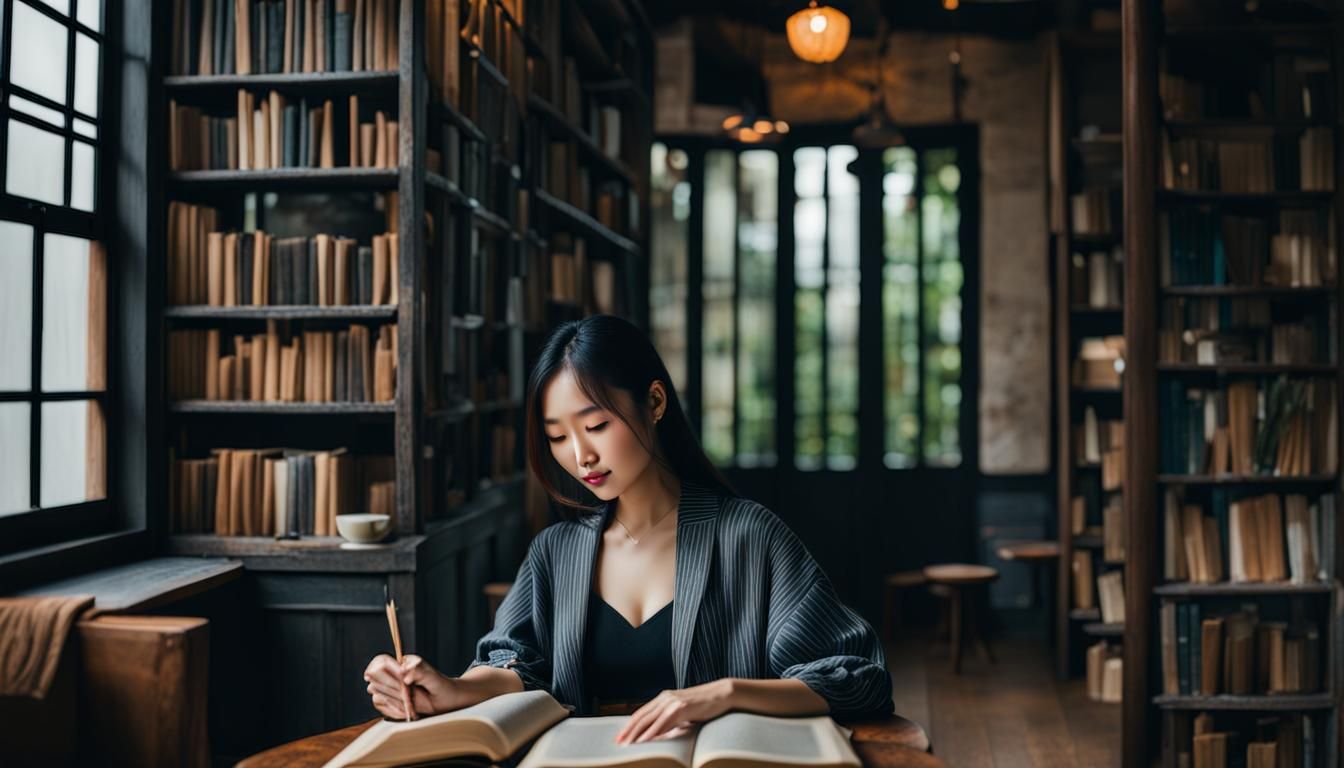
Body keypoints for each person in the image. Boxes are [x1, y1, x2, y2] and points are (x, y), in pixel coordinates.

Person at [363, 315, 892, 744]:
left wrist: (726, 693)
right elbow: (519, 666)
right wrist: (450, 688)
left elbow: (857, 677)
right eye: (557, 436)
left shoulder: (749, 537)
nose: (581, 455)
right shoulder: (556, 553)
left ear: (655, 402)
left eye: (596, 425)